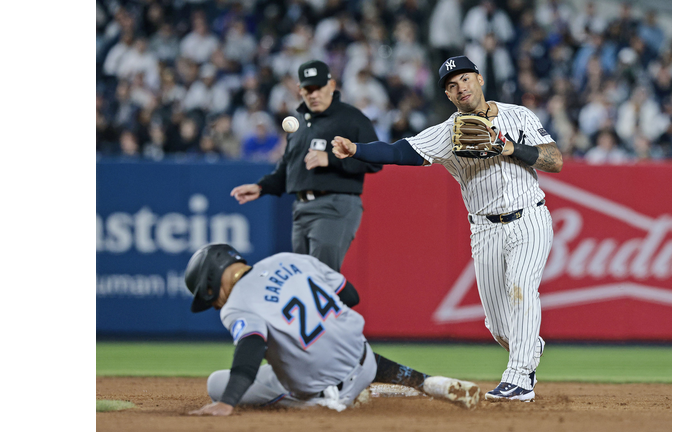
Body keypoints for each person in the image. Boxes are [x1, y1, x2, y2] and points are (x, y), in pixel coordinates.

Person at [331, 55, 563, 402]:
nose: (460, 87)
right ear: (449, 96)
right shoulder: (447, 133)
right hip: (484, 228)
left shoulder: (519, 115)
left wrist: (509, 147)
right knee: (499, 326)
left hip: (529, 216)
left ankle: (519, 380)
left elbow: (555, 160)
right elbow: (400, 151)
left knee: (522, 289)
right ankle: (528, 348)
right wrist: (357, 150)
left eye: (465, 79)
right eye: (452, 86)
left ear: (480, 79)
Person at [184, 243, 480, 415]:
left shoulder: (236, 303)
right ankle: (425, 383)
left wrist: (227, 403)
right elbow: (350, 296)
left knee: (216, 384)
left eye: (206, 295)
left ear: (211, 282)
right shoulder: (290, 259)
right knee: (337, 341)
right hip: (363, 359)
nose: (212, 303)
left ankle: (320, 404)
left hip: (325, 391)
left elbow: (250, 347)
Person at [230, 60, 382, 272]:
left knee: (318, 279)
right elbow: (287, 168)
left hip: (335, 205)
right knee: (303, 282)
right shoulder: (299, 123)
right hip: (302, 208)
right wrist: (262, 187)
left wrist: (331, 158)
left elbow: (375, 159)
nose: (314, 94)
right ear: (299, 90)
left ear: (331, 86)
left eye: (318, 87)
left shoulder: (351, 119)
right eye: (308, 89)